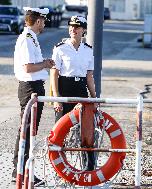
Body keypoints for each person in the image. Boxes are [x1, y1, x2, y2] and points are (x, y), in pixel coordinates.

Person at [12, 7, 55, 184]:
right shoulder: (28, 39)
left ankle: (23, 170)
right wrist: (45, 63)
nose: (44, 24)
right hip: (30, 88)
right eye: (43, 21)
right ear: (38, 21)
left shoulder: (31, 38)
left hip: (34, 87)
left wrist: (44, 64)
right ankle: (19, 171)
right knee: (27, 131)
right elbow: (28, 67)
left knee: (30, 131)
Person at [50, 15, 96, 170]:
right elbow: (54, 74)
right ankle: (59, 169)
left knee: (86, 131)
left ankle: (89, 168)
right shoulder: (60, 48)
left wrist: (94, 98)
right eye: (71, 26)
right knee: (59, 132)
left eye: (77, 27)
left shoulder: (88, 50)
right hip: (64, 89)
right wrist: (56, 99)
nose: (73, 29)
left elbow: (89, 76)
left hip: (81, 89)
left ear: (83, 30)